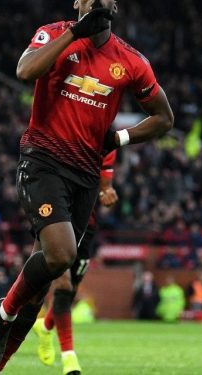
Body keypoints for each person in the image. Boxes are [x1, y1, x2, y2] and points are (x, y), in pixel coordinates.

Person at [0, 0, 174, 373]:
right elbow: (24, 71)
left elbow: (164, 118)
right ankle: (2, 312)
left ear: (114, 5)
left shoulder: (131, 61)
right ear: (77, 3)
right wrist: (74, 33)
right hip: (43, 161)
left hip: (86, 175)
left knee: (39, 285)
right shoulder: (53, 33)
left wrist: (119, 140)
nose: (98, 1)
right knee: (62, 254)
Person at [31, 151, 118, 374]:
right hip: (55, 219)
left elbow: (104, 184)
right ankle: (69, 358)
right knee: (63, 285)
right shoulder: (61, 134)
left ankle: (45, 325)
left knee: (71, 290)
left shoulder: (106, 142)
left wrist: (106, 192)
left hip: (85, 224)